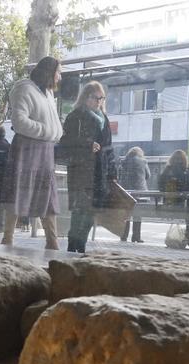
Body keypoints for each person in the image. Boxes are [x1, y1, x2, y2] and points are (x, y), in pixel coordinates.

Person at [1, 56, 64, 249]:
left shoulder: (46, 93)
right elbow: (19, 122)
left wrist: (51, 133)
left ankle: (52, 241)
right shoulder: (24, 89)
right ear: (49, 72)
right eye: (58, 72)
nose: (60, 77)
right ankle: (8, 238)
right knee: (19, 191)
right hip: (27, 150)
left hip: (44, 151)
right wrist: (48, 131)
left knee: (47, 195)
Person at [61, 80, 113, 253]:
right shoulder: (75, 116)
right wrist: (87, 144)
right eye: (95, 97)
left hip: (99, 171)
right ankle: (73, 246)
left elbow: (109, 148)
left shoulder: (104, 119)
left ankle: (80, 245)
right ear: (85, 97)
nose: (98, 101)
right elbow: (65, 142)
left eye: (101, 98)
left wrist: (112, 173)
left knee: (91, 213)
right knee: (80, 211)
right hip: (81, 170)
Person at [157, 149, 189, 250]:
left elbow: (160, 185)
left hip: (171, 203)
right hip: (184, 204)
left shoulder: (167, 170)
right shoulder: (187, 170)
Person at [119, 147, 152, 242]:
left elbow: (119, 175)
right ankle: (136, 237)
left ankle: (124, 236)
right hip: (140, 192)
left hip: (126, 192)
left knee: (126, 215)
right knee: (138, 215)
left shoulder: (123, 162)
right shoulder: (143, 161)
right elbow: (148, 175)